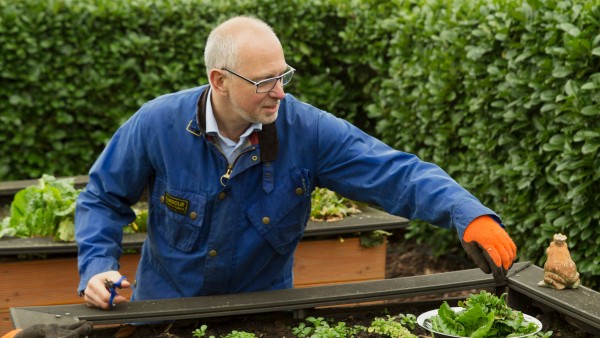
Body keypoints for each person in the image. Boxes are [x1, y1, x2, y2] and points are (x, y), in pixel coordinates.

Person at [75, 15, 517, 310]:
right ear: (220, 81)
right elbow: (102, 197)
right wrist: (98, 267)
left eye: (283, 75)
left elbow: (396, 172)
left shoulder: (308, 131)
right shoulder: (157, 124)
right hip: (164, 313)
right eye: (265, 81)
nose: (280, 92)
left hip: (264, 315)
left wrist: (467, 213)